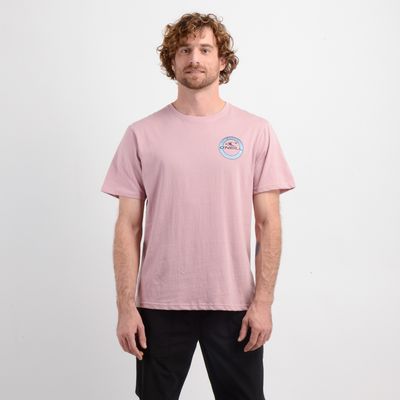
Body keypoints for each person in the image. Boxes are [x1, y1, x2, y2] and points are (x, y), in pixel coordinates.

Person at [100, 12, 296, 400]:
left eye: (205, 49)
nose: (194, 58)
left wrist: (263, 302)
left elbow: (268, 223)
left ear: (222, 61)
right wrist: (125, 307)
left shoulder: (255, 131)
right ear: (171, 61)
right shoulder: (141, 134)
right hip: (159, 303)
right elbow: (128, 226)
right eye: (185, 50)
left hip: (234, 304)